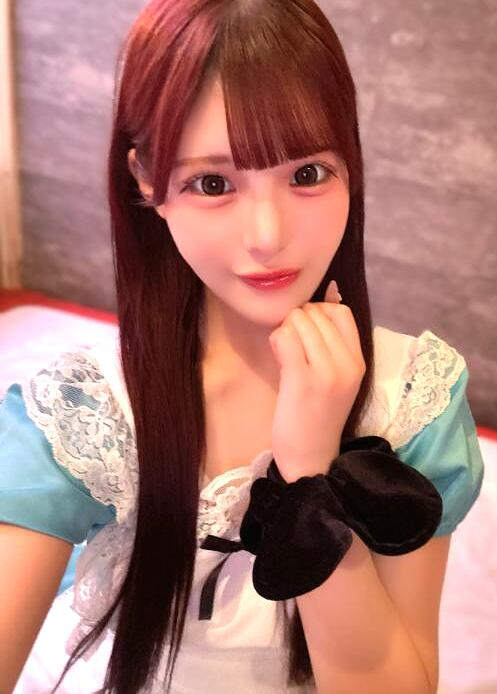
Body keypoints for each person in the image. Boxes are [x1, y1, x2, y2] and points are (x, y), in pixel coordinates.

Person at [0, 0, 485, 692]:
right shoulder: (83, 417)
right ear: (145, 179)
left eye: (307, 174)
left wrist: (309, 469)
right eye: (213, 183)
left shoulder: (414, 399)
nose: (267, 235)